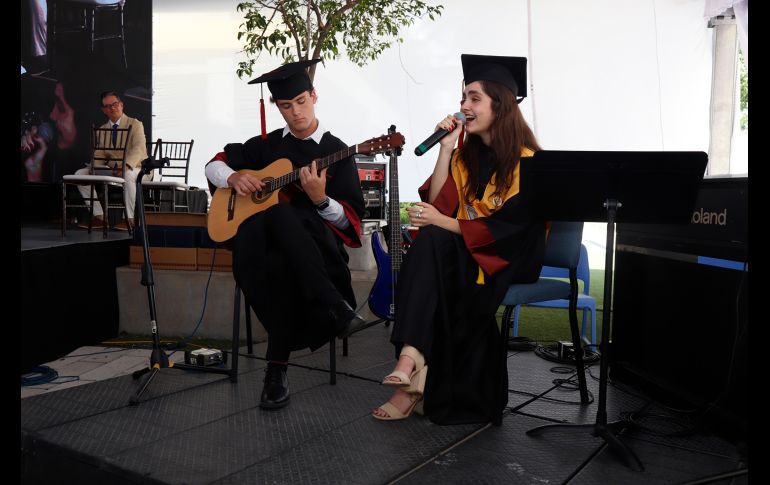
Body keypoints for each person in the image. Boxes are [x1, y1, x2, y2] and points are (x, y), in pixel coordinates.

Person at [372, 54, 547, 423]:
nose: (463, 106)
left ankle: (411, 366)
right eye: (463, 97)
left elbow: (510, 233)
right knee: (431, 242)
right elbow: (438, 204)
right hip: (462, 257)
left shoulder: (527, 163)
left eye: (473, 98)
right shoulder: (466, 157)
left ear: (500, 106)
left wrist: (441, 221)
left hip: (501, 262)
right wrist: (446, 148)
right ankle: (411, 361)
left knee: (433, 242)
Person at [204, 59, 367, 410]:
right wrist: (231, 178)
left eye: (301, 102)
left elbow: (349, 224)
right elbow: (214, 163)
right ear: (277, 107)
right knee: (275, 228)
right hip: (258, 248)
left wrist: (321, 199)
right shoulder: (266, 145)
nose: (296, 113)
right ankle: (335, 306)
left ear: (314, 95)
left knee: (281, 229)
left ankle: (275, 371)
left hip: (315, 250)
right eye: (286, 106)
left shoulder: (336, 150)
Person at [73, 90, 148, 230]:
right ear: (103, 110)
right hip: (113, 171)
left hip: (138, 169)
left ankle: (129, 219)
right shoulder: (102, 130)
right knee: (80, 174)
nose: (112, 108)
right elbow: (100, 153)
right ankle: (99, 217)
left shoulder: (135, 124)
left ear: (121, 105)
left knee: (129, 175)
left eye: (115, 104)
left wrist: (125, 165)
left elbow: (138, 148)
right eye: (107, 106)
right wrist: (94, 168)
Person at [21, 82, 77, 182]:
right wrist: (34, 173)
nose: (52, 115)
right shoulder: (48, 154)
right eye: (53, 105)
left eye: (60, 108)